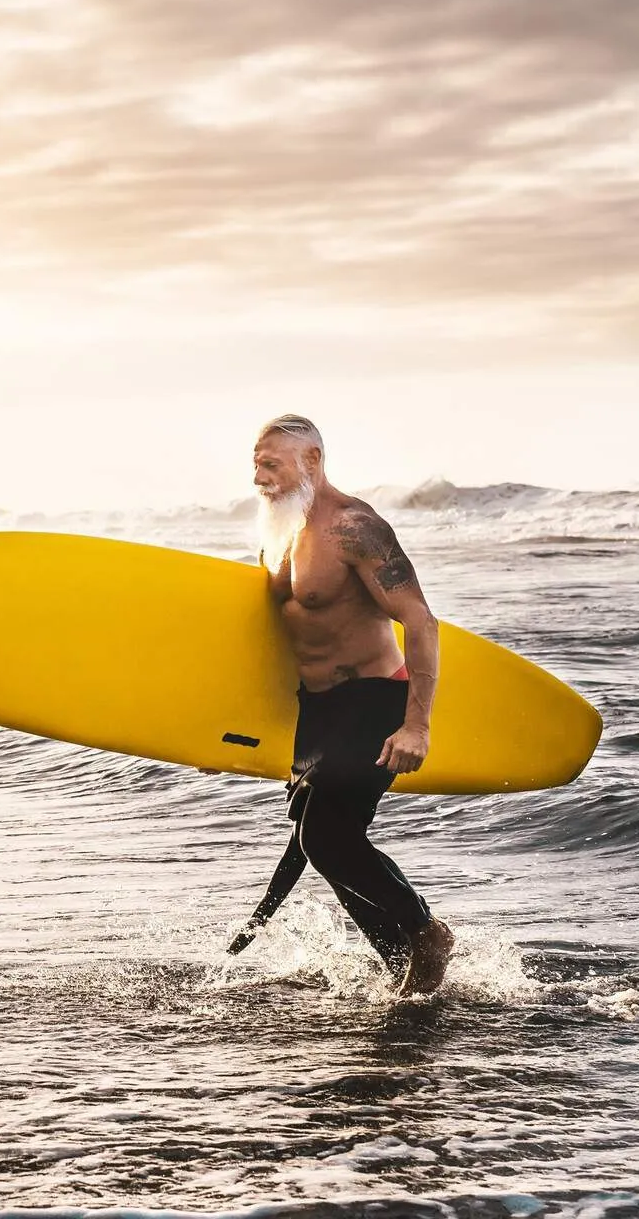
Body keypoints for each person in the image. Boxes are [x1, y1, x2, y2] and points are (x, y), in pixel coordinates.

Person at [232, 414, 456, 995]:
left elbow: (420, 621)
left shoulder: (355, 528)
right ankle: (405, 970)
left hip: (375, 701)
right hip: (320, 712)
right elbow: (280, 633)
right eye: (256, 463)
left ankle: (424, 933)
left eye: (271, 463)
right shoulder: (280, 529)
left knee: (325, 839)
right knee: (326, 844)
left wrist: (417, 725)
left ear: (311, 461)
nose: (259, 475)